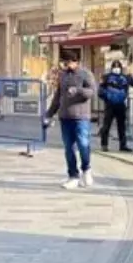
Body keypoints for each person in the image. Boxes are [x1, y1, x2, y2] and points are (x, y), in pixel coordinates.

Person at [44, 49, 98, 189]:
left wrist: (78, 90)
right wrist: (49, 114)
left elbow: (92, 92)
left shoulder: (86, 74)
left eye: (68, 62)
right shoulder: (63, 76)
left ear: (76, 62)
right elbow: (57, 97)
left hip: (81, 117)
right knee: (68, 147)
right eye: (64, 62)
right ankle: (73, 175)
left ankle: (86, 169)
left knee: (83, 144)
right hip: (65, 116)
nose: (66, 65)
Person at [100, 60, 132, 152]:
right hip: (110, 105)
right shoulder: (106, 77)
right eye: (115, 67)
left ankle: (123, 145)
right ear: (112, 68)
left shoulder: (124, 78)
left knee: (122, 126)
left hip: (120, 105)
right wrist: (107, 97)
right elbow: (100, 91)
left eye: (118, 67)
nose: (117, 69)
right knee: (106, 125)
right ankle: (104, 144)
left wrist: (122, 97)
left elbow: (126, 90)